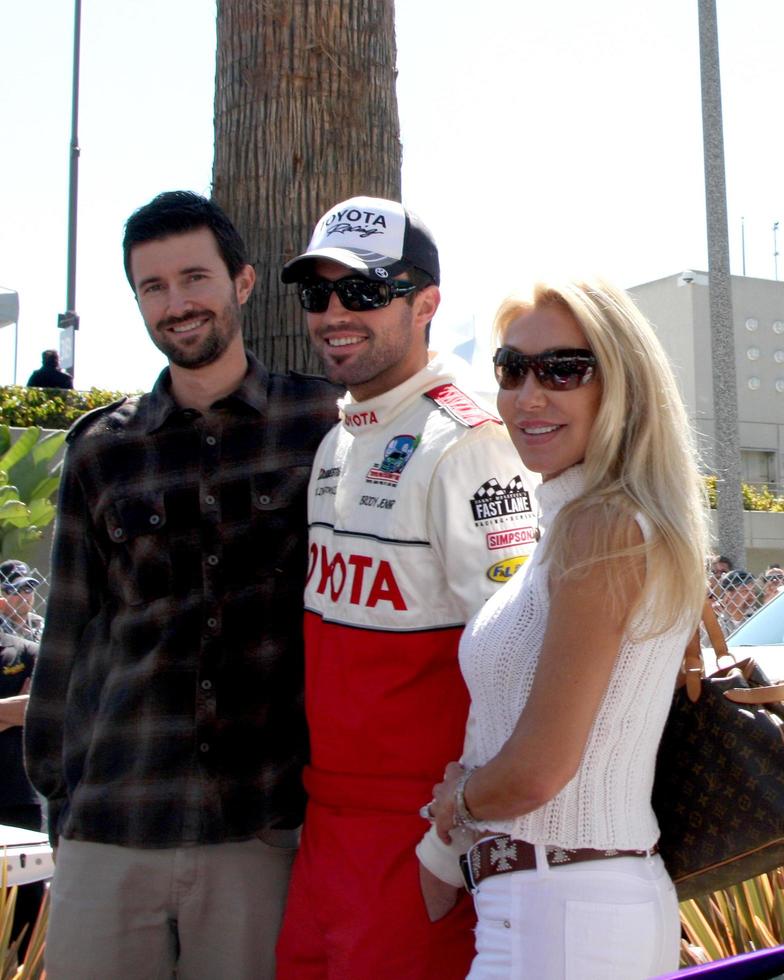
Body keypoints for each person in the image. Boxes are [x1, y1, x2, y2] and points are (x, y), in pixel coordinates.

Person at [24, 190, 339, 980]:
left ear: (242, 282)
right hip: (111, 824)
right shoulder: (100, 449)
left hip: (259, 830)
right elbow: (67, 634)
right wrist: (58, 798)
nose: (176, 303)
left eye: (194, 277)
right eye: (152, 287)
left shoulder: (324, 426)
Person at [275, 196, 539, 979]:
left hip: (417, 835)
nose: (332, 314)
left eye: (362, 291)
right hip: (324, 830)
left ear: (426, 304)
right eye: (317, 293)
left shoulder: (469, 443)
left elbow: (520, 663)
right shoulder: (334, 440)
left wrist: (440, 851)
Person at [422, 277, 708, 979]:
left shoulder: (602, 529)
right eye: (512, 369)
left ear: (622, 386)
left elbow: (540, 770)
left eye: (563, 370)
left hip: (563, 918)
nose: (529, 395)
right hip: (565, 909)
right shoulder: (582, 526)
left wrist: (453, 804)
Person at [0, 630, 45, 959]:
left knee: (25, 918)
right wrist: (9, 710)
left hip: (18, 799)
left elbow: (41, 707)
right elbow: (21, 710)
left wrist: (25, 707)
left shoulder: (26, 652)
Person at [0, 561, 44, 642]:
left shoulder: (41, 624)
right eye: (15, 590)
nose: (23, 596)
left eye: (28, 588)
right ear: (2, 594)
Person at [717, 568, 758, 635]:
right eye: (745, 591)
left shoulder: (757, 619)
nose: (752, 596)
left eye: (753, 591)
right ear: (728, 595)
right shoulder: (716, 622)